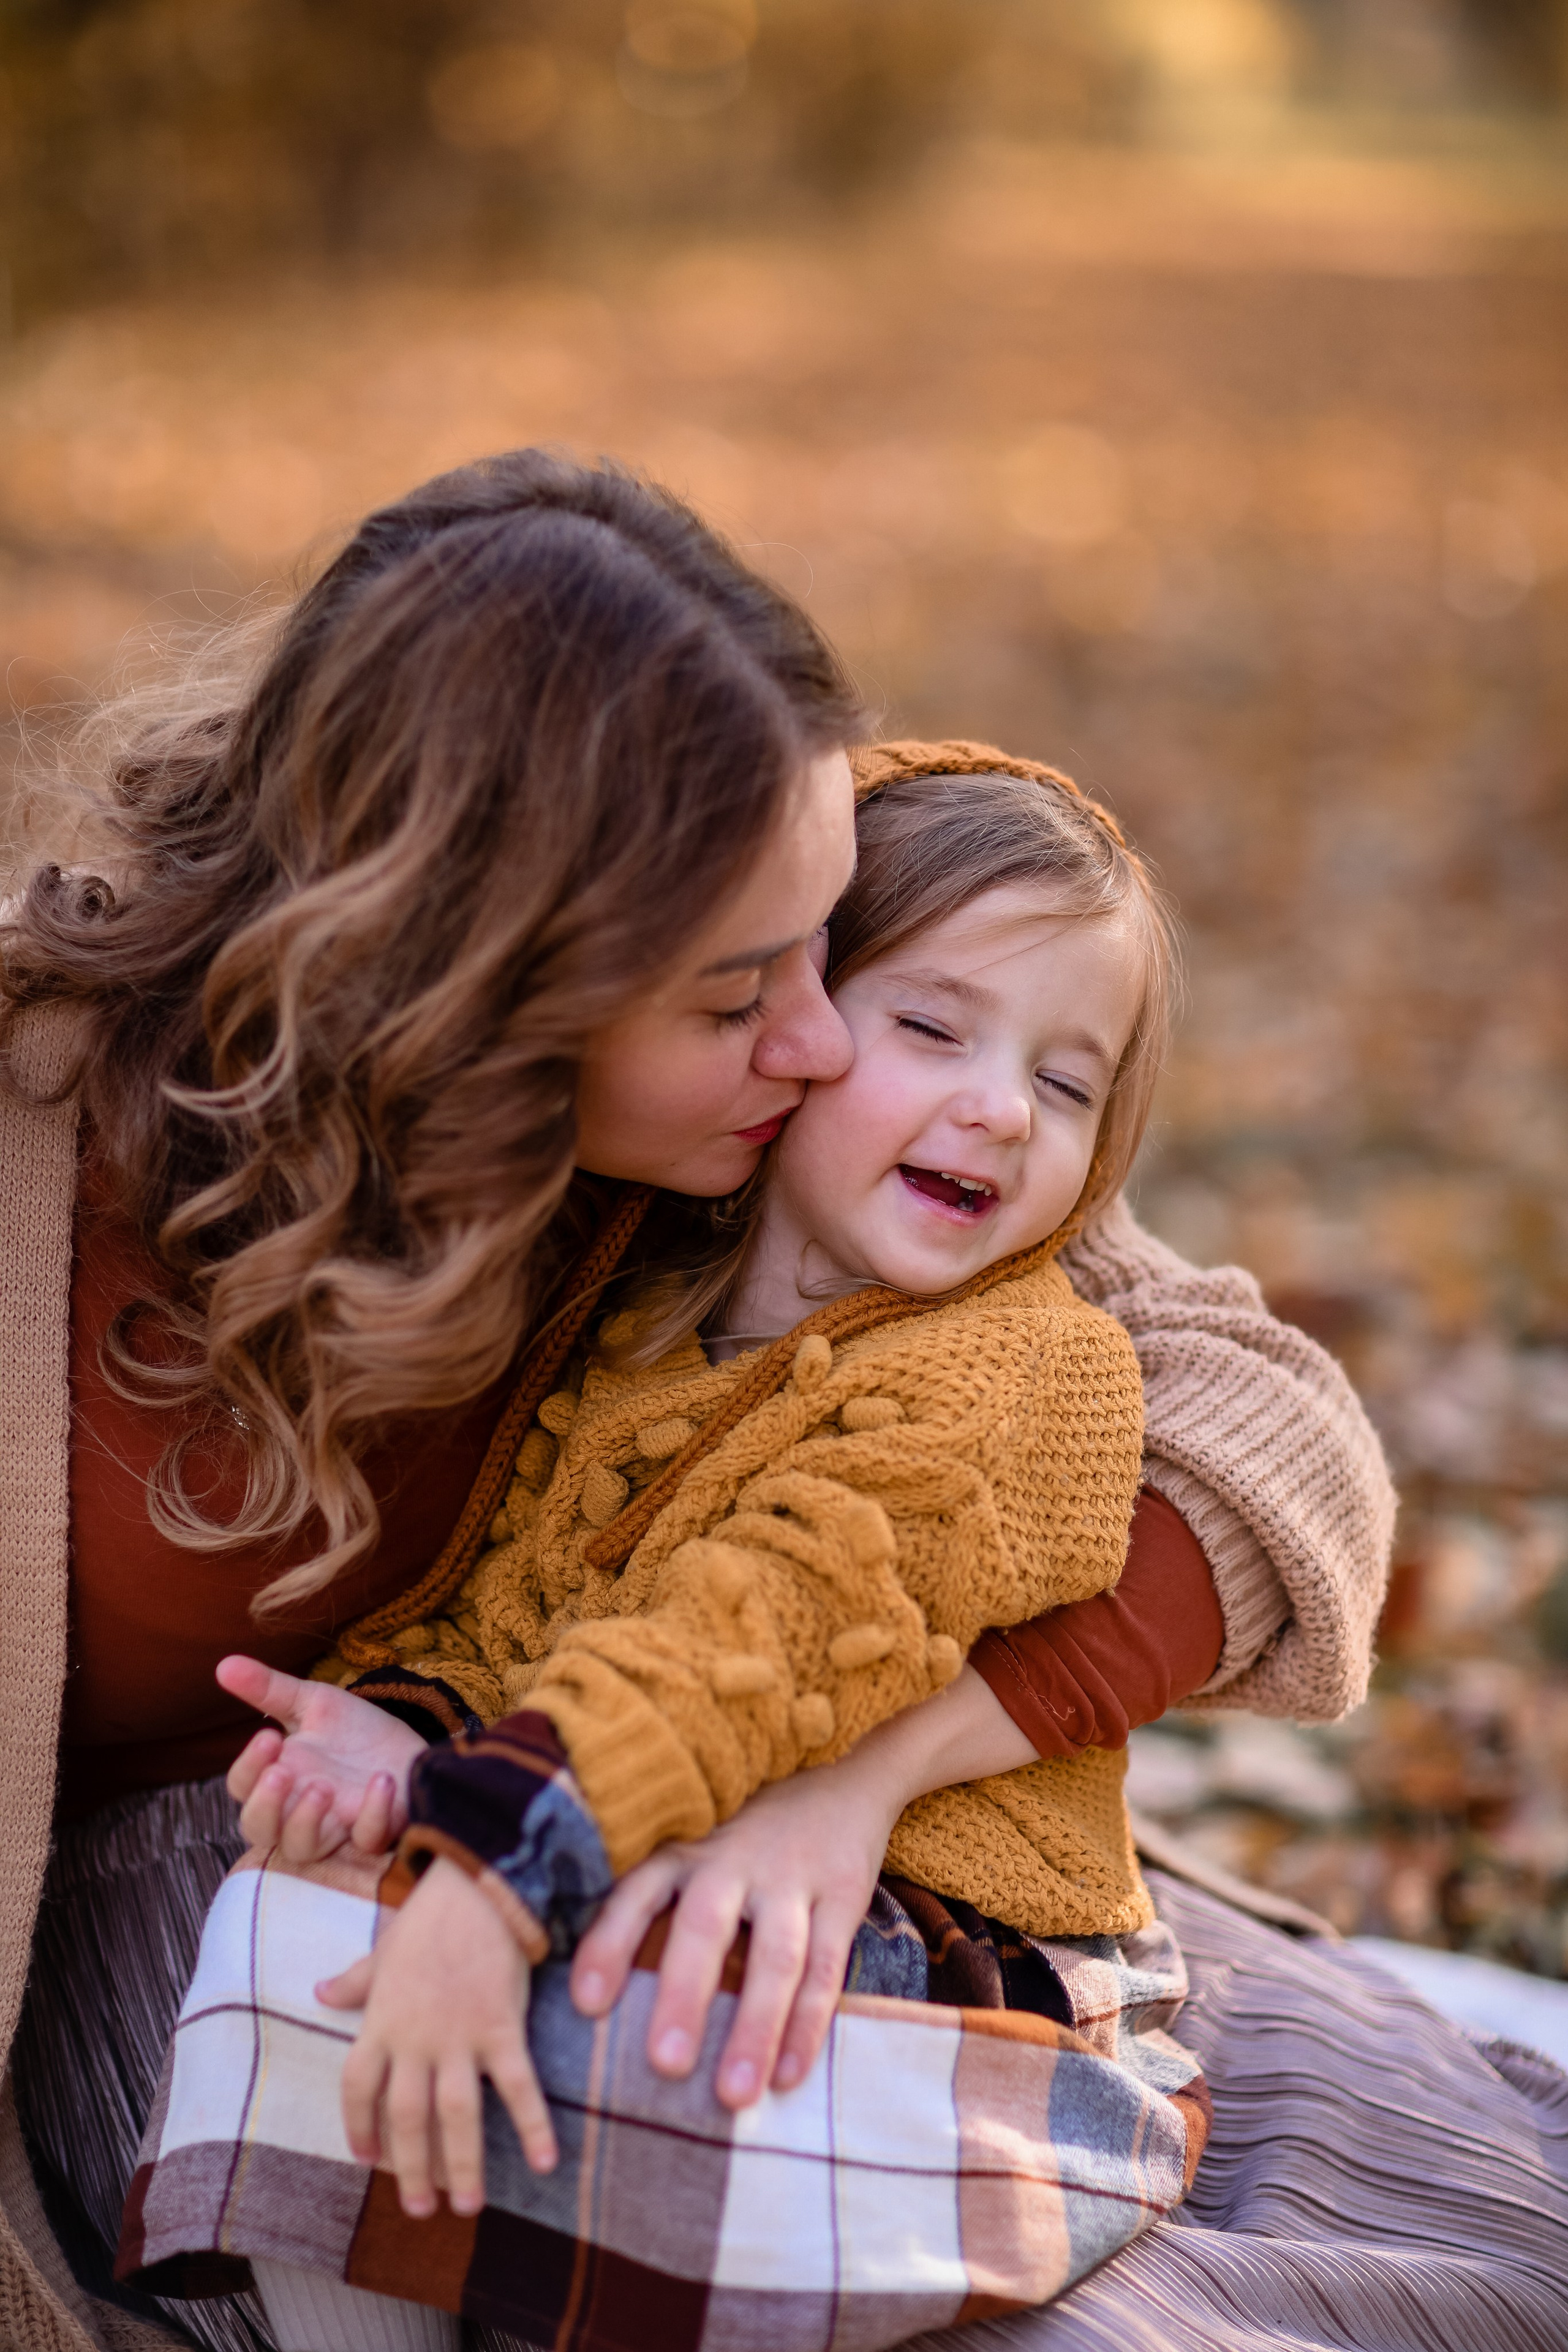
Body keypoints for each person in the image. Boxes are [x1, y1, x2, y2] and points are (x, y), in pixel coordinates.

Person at [0, 453, 1395, 2352]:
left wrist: (847, 1783)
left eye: (828, 956)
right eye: (744, 994)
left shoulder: (801, 1150)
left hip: (613, 1833)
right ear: (485, 1000)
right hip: (263, 1884)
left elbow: (1270, 1437)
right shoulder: (50, 1150)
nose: (821, 1043)